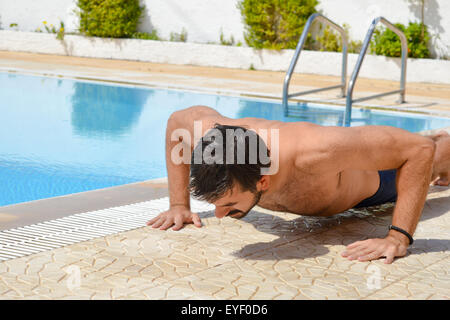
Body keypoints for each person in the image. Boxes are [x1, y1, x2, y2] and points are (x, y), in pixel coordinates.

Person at [147, 106, 450, 264]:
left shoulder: (317, 150)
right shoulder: (212, 137)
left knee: (434, 154)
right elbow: (176, 122)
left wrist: (398, 237)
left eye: (228, 204)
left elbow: (417, 150)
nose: (220, 215)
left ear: (263, 180)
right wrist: (178, 204)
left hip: (376, 185)